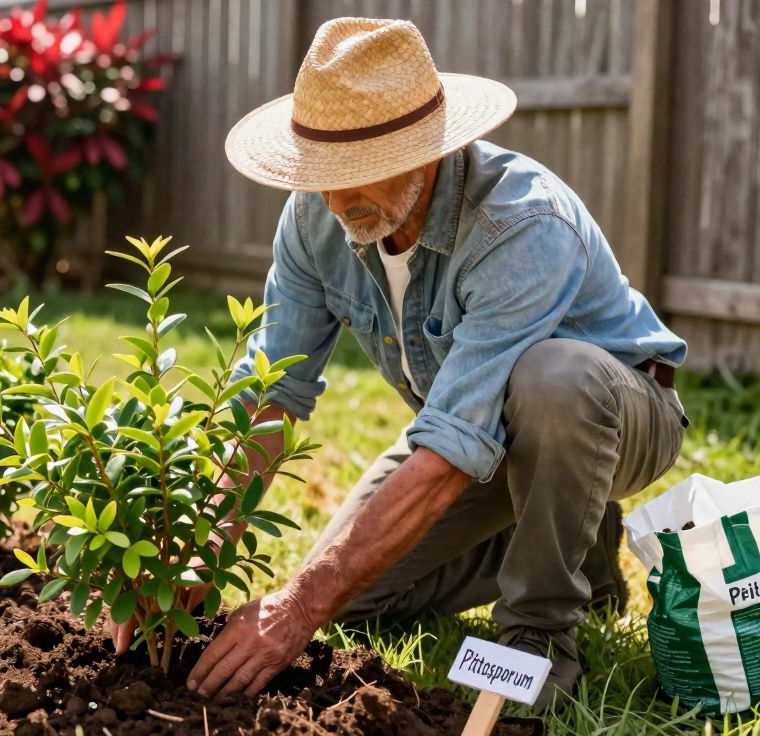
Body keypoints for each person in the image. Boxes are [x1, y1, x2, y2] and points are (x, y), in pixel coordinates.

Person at [116, 16, 690, 706]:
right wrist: (203, 541)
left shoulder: (521, 223)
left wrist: (296, 606)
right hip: (480, 431)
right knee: (356, 599)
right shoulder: (315, 220)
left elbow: (450, 450)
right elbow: (273, 392)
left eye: (357, 173)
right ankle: (569, 531)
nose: (335, 200)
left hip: (618, 416)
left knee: (553, 379)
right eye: (321, 175)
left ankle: (538, 629)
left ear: (426, 151)